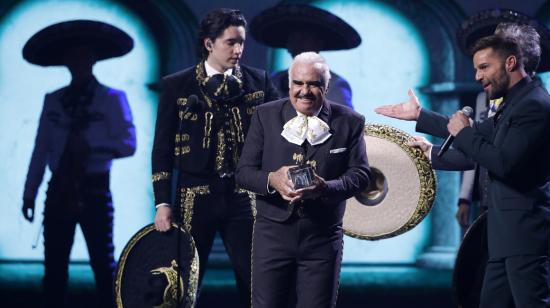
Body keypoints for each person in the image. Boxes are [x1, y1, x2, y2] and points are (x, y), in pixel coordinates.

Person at [376, 33, 550, 307]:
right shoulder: (515, 103)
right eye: (475, 69)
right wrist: (420, 116)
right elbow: (476, 134)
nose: (478, 77)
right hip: (502, 235)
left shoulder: (534, 105)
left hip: (524, 236)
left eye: (484, 67)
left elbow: (504, 163)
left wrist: (464, 133)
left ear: (511, 63)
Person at [151, 8, 279, 307]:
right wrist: (162, 203)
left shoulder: (259, 82)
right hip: (194, 194)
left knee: (254, 278)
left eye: (241, 43)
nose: (238, 50)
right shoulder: (177, 85)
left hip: (244, 195)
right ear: (209, 44)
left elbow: (281, 133)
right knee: (183, 279)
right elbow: (162, 149)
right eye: (230, 42)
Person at [236, 52, 370, 308]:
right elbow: (243, 173)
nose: (304, 91)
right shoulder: (265, 115)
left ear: (326, 86)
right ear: (289, 85)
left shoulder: (351, 122)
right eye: (298, 83)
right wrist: (272, 180)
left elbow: (361, 175)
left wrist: (325, 187)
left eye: (314, 84)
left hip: (322, 236)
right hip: (271, 234)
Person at [21, 20, 136, 308]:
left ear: (93, 59)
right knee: (55, 263)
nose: (77, 61)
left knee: (103, 261)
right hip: (58, 187)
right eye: (72, 56)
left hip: (95, 188)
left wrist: (91, 148)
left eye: (83, 55)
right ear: (64, 61)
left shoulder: (112, 98)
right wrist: (29, 193)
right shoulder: (54, 100)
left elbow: (128, 144)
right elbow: (40, 149)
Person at [250, 3, 361, 108]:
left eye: (305, 38)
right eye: (294, 38)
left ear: (319, 44)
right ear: (288, 46)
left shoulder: (335, 86)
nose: (298, 43)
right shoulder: (273, 81)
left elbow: (344, 125)